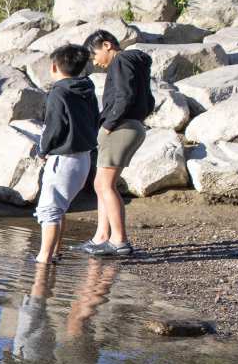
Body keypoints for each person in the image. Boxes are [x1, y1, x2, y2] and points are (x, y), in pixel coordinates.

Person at [78, 29, 152, 257]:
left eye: (94, 55)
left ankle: (119, 240)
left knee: (104, 185)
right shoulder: (133, 62)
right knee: (102, 184)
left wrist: (109, 124)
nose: (95, 62)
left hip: (121, 127)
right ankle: (101, 237)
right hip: (131, 125)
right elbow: (144, 99)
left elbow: (125, 96)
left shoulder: (122, 60)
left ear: (107, 45)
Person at [32, 44, 100, 264]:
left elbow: (53, 127)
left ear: (54, 66)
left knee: (49, 209)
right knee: (59, 207)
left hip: (63, 158)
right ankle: (55, 253)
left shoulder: (58, 92)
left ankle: (44, 259)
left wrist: (42, 150)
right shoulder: (87, 88)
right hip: (84, 158)